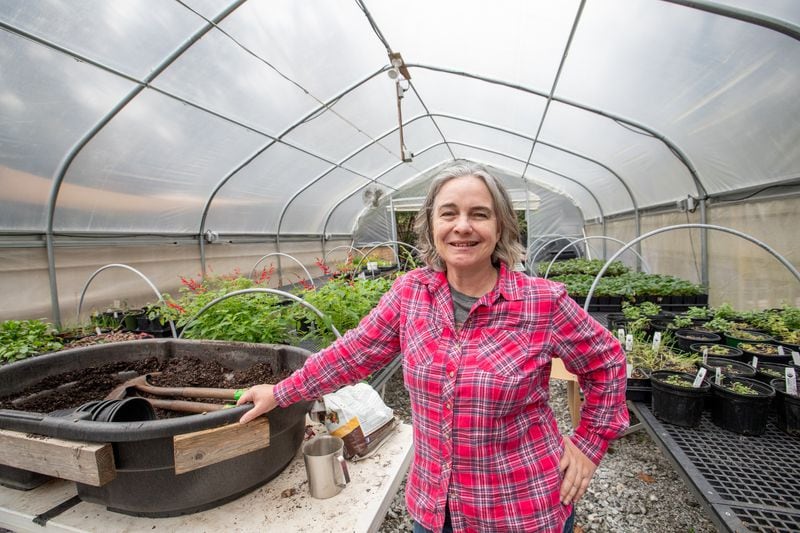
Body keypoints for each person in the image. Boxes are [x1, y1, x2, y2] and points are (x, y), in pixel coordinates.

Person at [238, 161, 629, 532]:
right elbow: (353, 353)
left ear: (501, 226)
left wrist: (588, 444)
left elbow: (607, 361)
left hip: (518, 508)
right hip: (433, 507)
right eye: (448, 213)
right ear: (431, 225)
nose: (463, 226)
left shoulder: (541, 302)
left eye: (479, 214)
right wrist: (281, 391)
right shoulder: (411, 294)